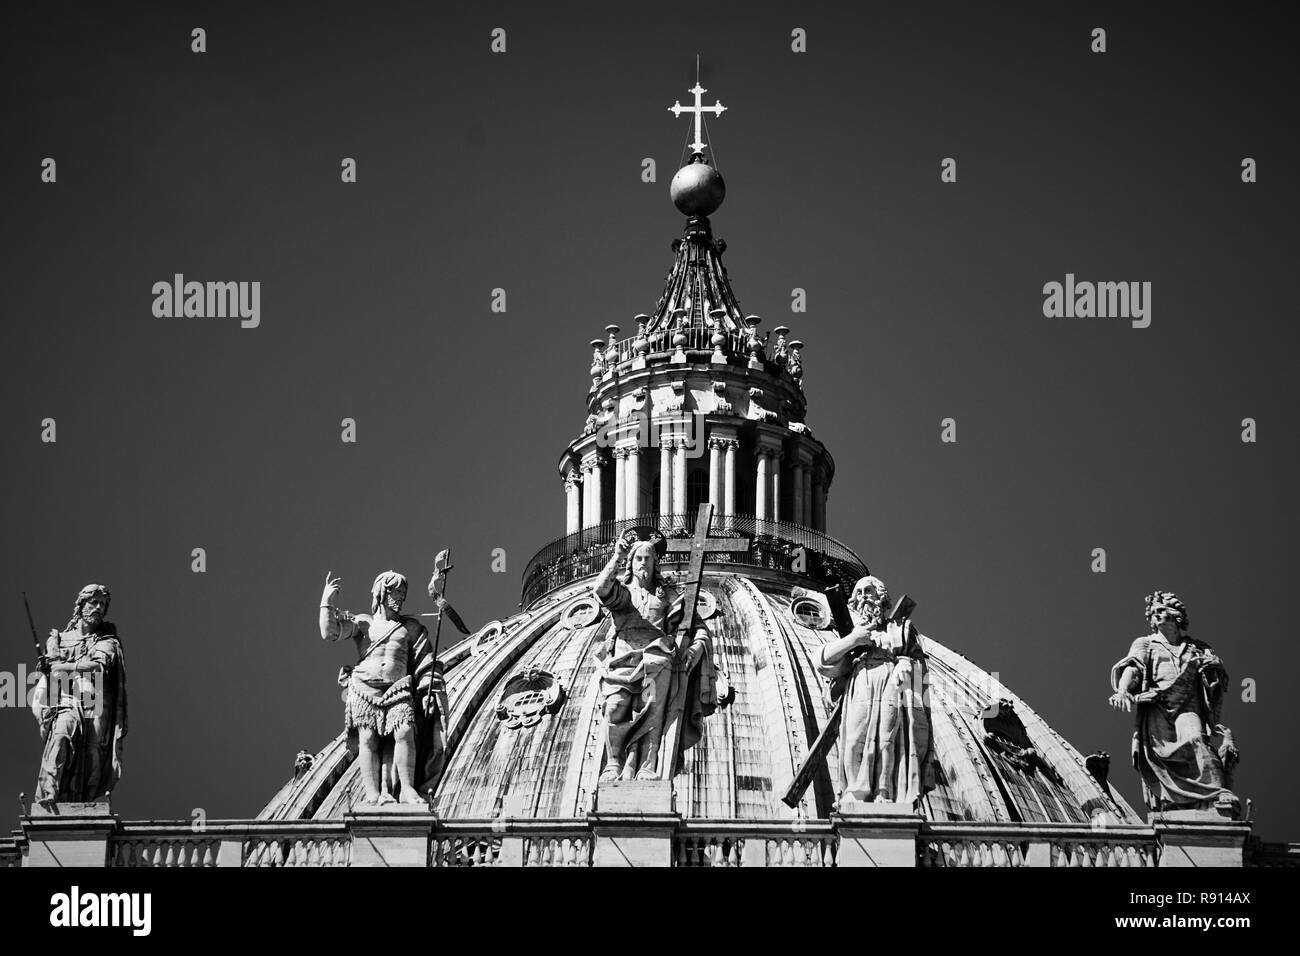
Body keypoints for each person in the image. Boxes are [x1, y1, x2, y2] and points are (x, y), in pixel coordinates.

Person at [320, 570, 447, 806]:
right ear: (381, 591)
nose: (400, 598)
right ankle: (372, 793)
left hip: (398, 688)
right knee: (368, 739)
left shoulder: (410, 628)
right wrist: (327, 601)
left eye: (403, 593)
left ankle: (407, 789)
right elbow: (330, 633)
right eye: (396, 592)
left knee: (405, 733)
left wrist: (429, 684)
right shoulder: (363, 623)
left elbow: (427, 661)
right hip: (364, 687)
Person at [592, 532, 711, 781]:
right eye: (638, 559)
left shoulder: (668, 596)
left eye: (648, 558)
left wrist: (695, 648)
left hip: (658, 659)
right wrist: (616, 557)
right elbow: (600, 589)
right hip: (623, 659)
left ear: (656, 563)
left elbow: (697, 628)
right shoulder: (623, 594)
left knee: (654, 715)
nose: (643, 563)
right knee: (615, 708)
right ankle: (614, 762)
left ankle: (647, 764)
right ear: (631, 563)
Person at [1109, 590, 1239, 814]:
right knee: (1162, 755)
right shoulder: (1146, 643)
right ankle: (1172, 799)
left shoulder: (1196, 647)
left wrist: (1212, 669)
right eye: (1153, 613)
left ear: (1176, 615)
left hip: (1188, 704)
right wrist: (1122, 690)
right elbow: (1134, 668)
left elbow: (1216, 678)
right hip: (1158, 703)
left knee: (1197, 739)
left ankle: (1217, 793)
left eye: (1162, 611)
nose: (1156, 617)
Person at [815, 575, 934, 806]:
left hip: (891, 681)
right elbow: (822, 662)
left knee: (887, 738)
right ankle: (855, 793)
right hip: (861, 682)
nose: (863, 597)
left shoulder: (899, 629)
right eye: (858, 593)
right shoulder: (850, 631)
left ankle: (883, 792)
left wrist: (905, 663)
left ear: (881, 596)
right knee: (854, 739)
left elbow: (917, 659)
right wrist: (853, 640)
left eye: (868, 591)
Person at [30, 584, 127, 806]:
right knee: (61, 735)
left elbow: (99, 666)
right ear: (81, 605)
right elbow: (48, 672)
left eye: (102, 604)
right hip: (66, 701)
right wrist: (47, 668)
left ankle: (84, 805)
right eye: (94, 602)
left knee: (93, 757)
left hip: (97, 702)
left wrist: (62, 667)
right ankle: (49, 793)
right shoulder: (58, 639)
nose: (98, 608)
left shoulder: (108, 641)